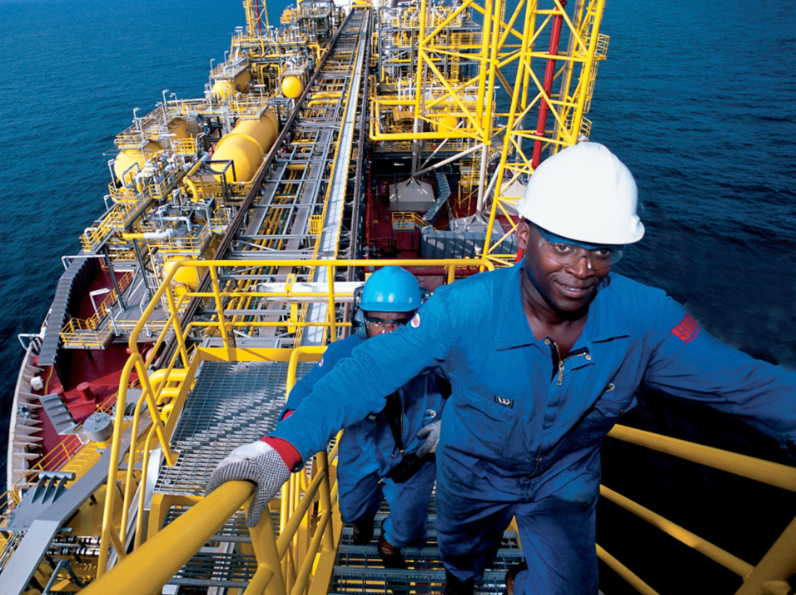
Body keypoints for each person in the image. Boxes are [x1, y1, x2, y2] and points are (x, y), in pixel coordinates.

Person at [207, 142, 796, 595]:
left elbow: (747, 384)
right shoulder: (464, 311)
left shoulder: (645, 319)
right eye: (562, 245)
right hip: (472, 474)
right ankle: (463, 583)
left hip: (564, 482)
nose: (583, 267)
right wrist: (281, 448)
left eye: (600, 250)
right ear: (525, 234)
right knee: (462, 556)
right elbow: (365, 372)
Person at [214, 266, 447, 570]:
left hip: (417, 456)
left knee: (409, 518)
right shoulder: (343, 353)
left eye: (400, 323)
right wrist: (289, 427)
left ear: (417, 318)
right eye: (377, 321)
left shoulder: (437, 358)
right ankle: (361, 526)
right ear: (364, 318)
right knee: (351, 507)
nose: (387, 333)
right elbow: (310, 388)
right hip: (360, 447)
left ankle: (389, 548)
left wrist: (450, 425)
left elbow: (473, 392)